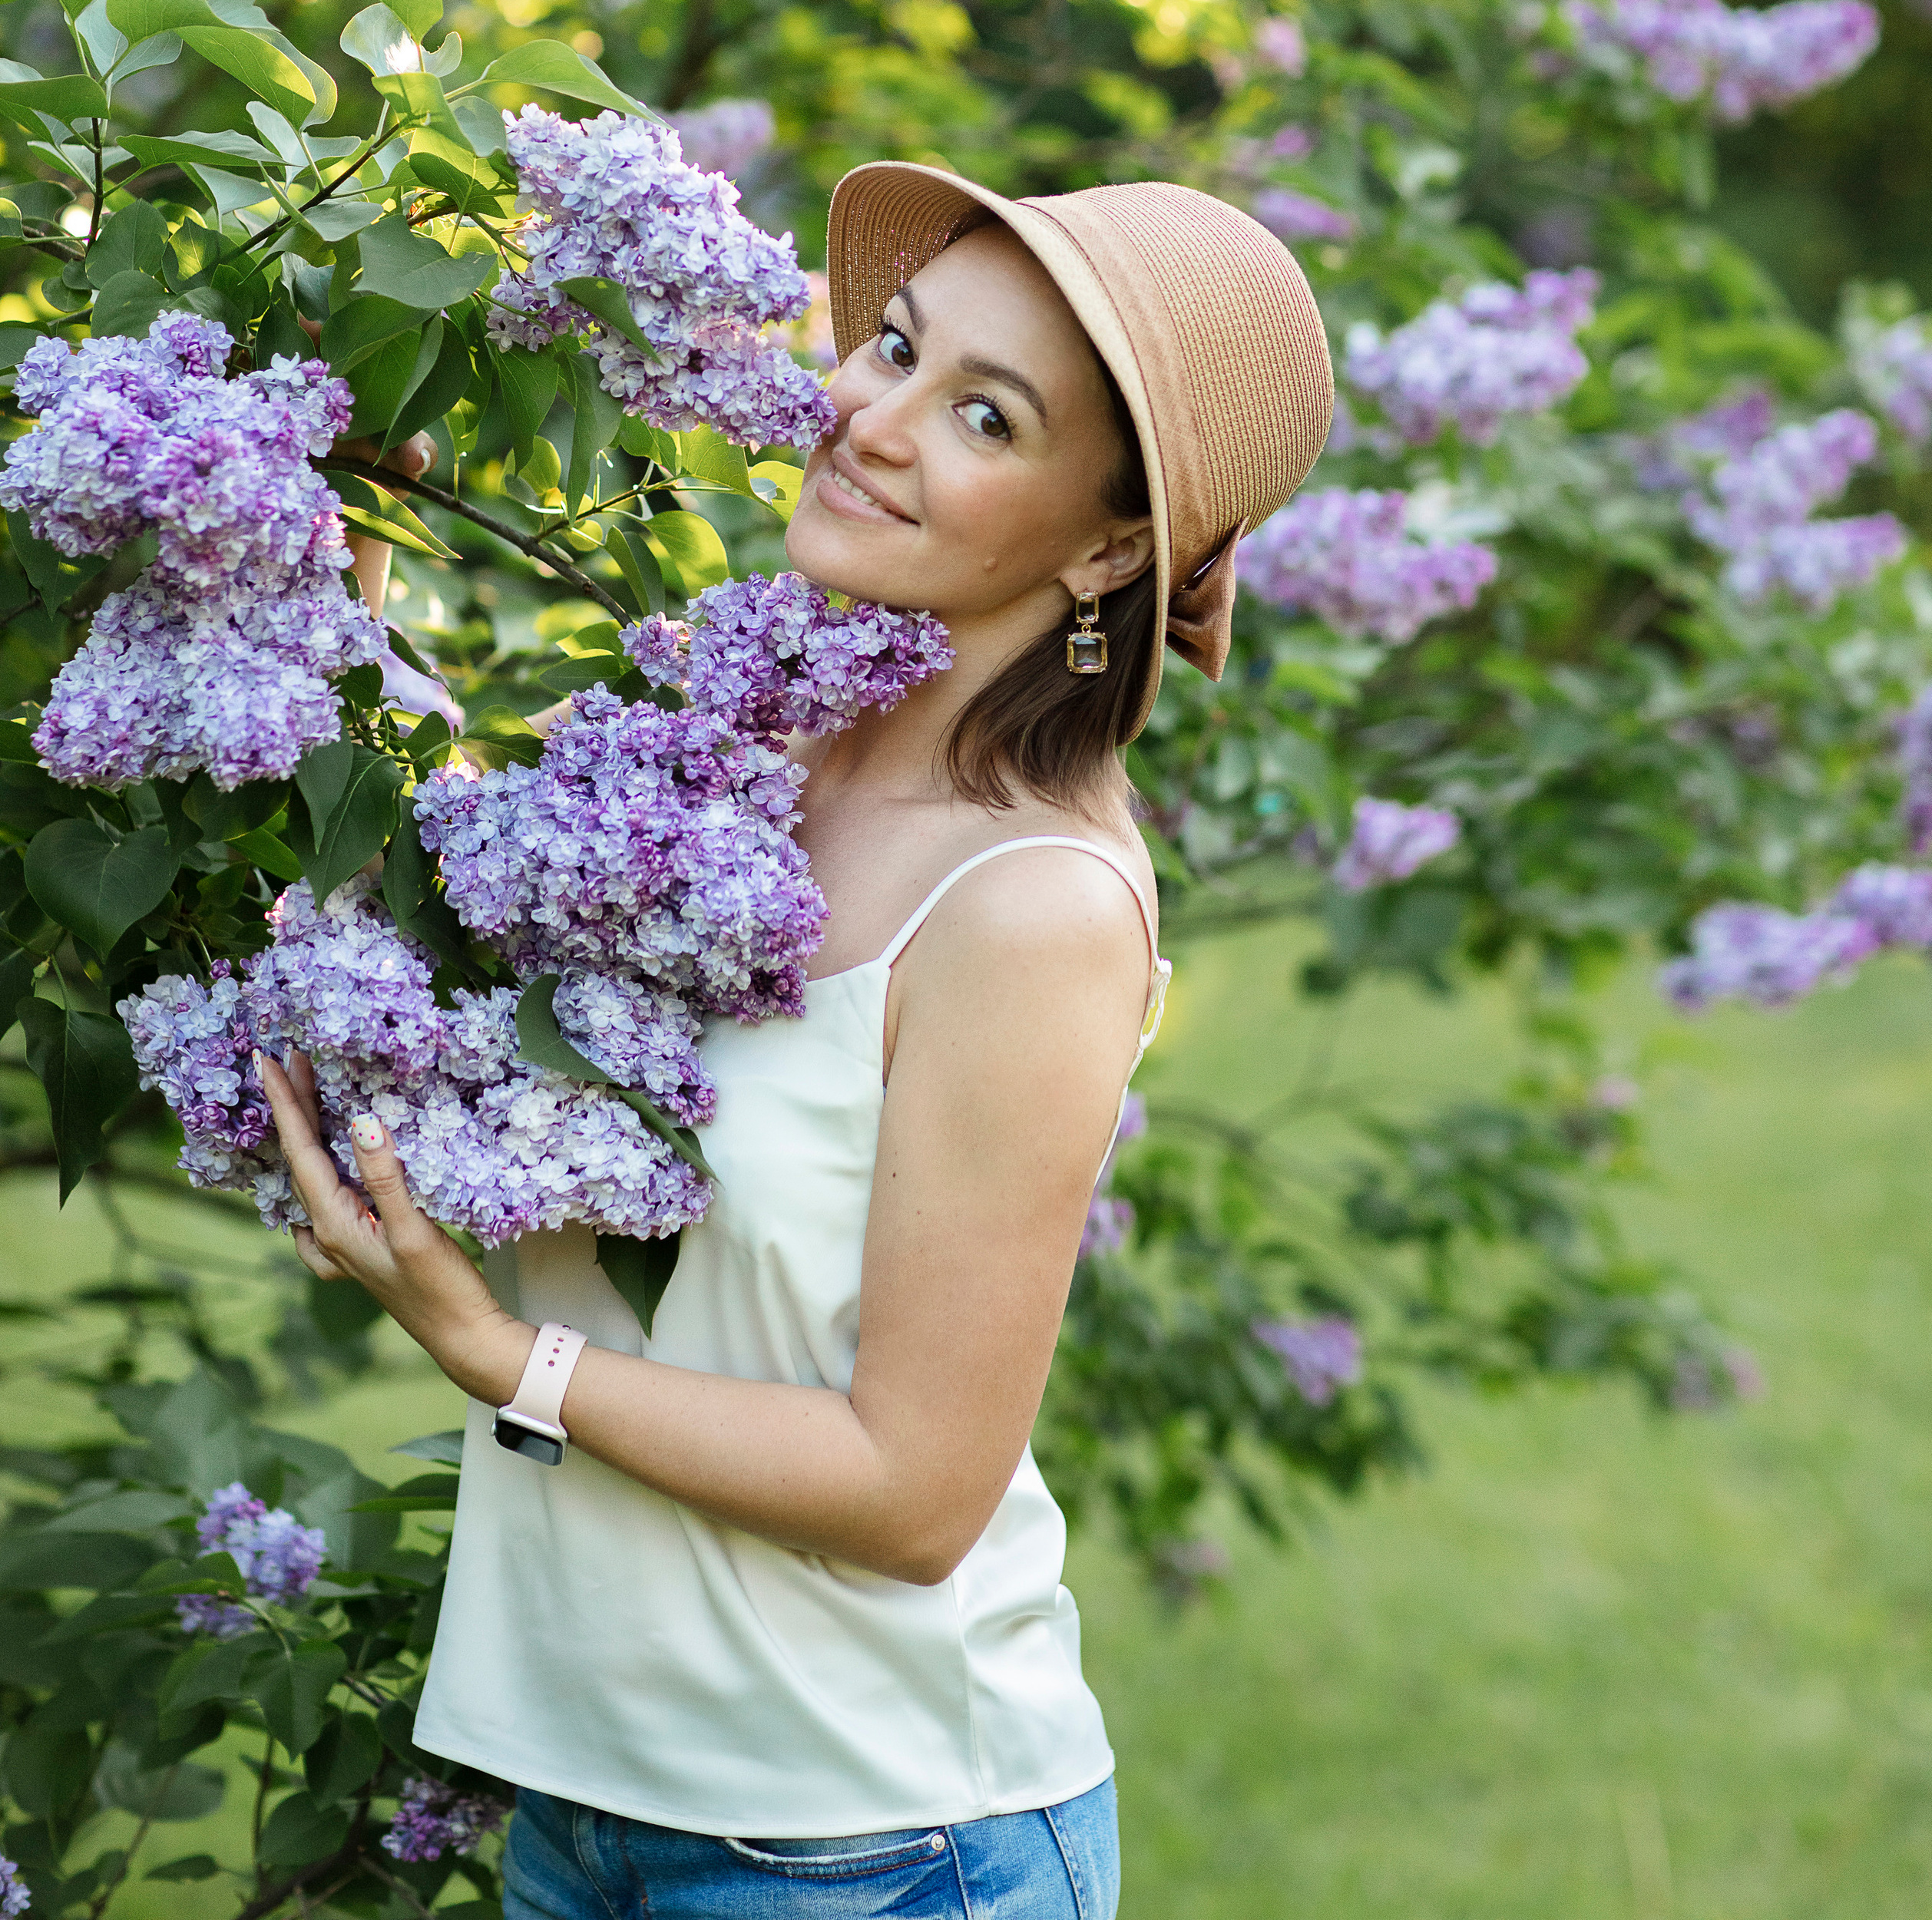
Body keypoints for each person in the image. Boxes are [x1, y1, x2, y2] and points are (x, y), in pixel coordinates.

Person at [258, 161, 1332, 1919]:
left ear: (1107, 542)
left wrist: (495, 1352)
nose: (870, 421)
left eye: (980, 414)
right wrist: (330, 541)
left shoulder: (1030, 906)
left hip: (867, 1844)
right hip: (588, 1795)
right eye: (893, 348)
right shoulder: (746, 737)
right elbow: (462, 911)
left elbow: (916, 1490)